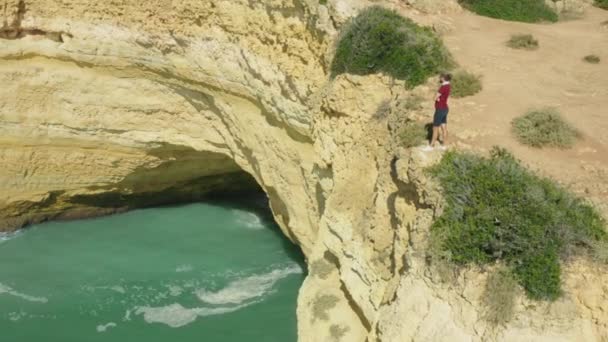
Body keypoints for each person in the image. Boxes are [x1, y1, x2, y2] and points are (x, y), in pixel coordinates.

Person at [424, 73, 451, 151]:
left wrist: (436, 97)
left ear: (443, 78)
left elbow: (435, 97)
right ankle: (444, 145)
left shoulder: (443, 87)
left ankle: (431, 146)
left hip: (440, 109)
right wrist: (438, 98)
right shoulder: (448, 86)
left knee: (435, 128)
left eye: (440, 78)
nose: (439, 79)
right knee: (444, 127)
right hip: (445, 108)